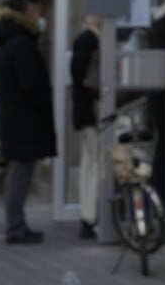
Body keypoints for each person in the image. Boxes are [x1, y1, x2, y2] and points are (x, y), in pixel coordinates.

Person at [0, 0, 56, 245]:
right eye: (35, 12)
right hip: (24, 120)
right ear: (25, 14)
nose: (39, 17)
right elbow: (31, 85)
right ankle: (15, 227)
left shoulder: (12, 41)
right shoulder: (21, 44)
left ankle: (16, 224)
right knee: (20, 173)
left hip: (18, 118)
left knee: (18, 172)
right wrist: (44, 104)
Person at [70, 16, 101, 239]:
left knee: (89, 163)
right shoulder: (88, 40)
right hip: (91, 112)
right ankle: (90, 216)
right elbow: (82, 76)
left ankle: (88, 216)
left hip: (90, 111)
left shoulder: (91, 39)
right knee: (94, 164)